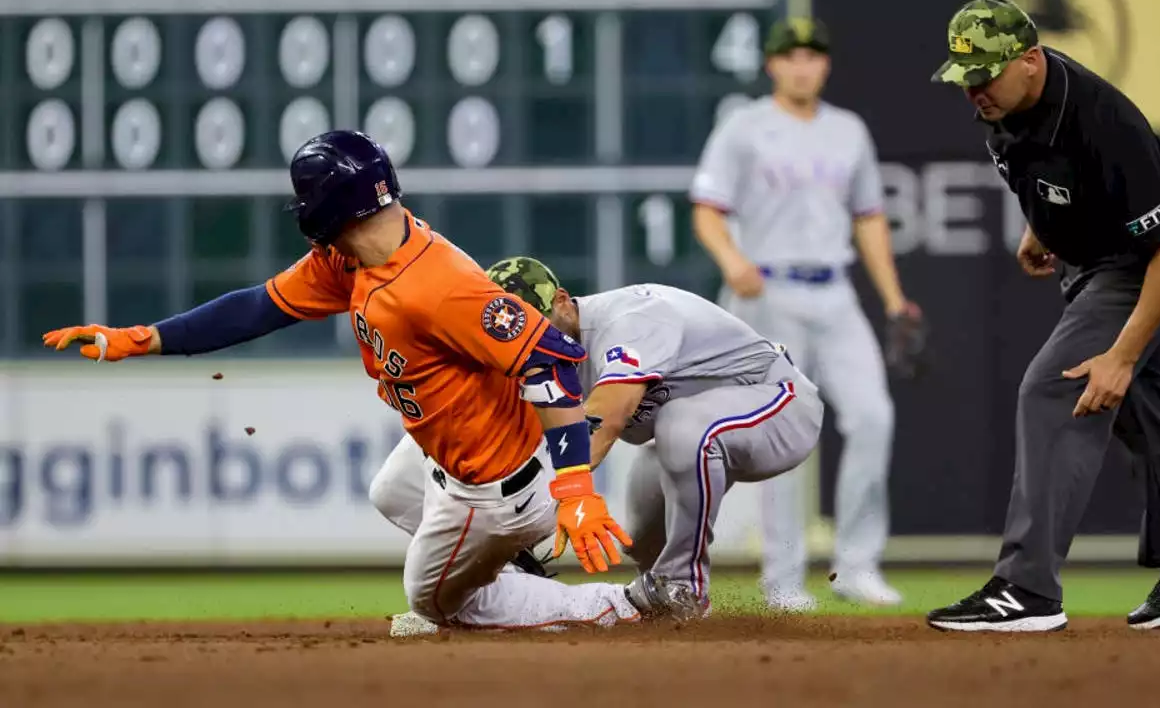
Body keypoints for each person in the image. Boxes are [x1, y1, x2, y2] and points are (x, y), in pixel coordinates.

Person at [42, 130, 689, 633]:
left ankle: (616, 605)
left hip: (496, 483)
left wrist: (575, 486)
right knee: (389, 491)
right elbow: (260, 305)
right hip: (448, 451)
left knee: (433, 603)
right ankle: (505, 559)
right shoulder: (348, 260)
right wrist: (146, 337)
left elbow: (551, 357)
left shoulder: (439, 287)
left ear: (325, 210)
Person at [925, 0, 1160, 633]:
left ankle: (1028, 588)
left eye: (985, 76)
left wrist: (1122, 357)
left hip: (1144, 263)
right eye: (966, 79)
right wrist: (1040, 228)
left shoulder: (1102, 120)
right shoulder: (1004, 104)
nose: (974, 92)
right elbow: (1038, 176)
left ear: (1031, 62)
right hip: (1093, 260)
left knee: (1056, 389)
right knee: (1134, 414)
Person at [689, 17, 922, 610]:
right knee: (782, 433)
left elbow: (868, 217)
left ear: (825, 64)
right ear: (772, 65)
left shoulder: (849, 131)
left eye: (812, 56)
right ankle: (784, 579)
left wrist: (894, 298)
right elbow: (707, 209)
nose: (802, 66)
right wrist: (732, 259)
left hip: (833, 288)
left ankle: (858, 566)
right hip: (767, 288)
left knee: (873, 417)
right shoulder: (744, 127)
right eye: (790, 56)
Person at [486, 257, 824, 617]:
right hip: (695, 431)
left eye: (538, 324)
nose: (533, 340)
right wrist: (502, 542)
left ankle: (686, 586)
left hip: (780, 404)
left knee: (681, 426)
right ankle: (667, 613)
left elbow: (606, 416)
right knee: (642, 539)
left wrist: (551, 501)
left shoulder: (630, 318)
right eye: (518, 336)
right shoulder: (534, 365)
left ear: (563, 301)